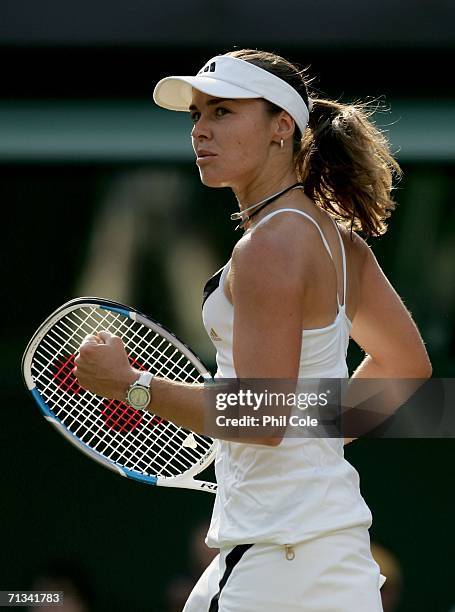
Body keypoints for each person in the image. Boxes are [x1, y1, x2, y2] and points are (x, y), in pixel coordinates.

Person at [74, 49, 432, 611]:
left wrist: (130, 385)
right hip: (330, 555)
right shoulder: (337, 241)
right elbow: (407, 368)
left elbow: (262, 417)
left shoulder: (269, 246)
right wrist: (312, 432)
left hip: (276, 560)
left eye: (222, 113)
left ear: (281, 127)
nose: (200, 131)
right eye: (197, 115)